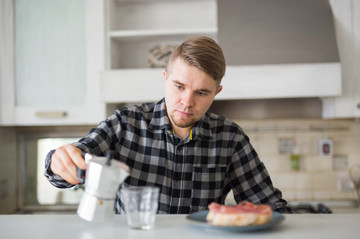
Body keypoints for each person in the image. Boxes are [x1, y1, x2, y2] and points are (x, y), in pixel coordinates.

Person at [45, 36, 291, 214]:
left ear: (217, 92)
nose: (187, 102)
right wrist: (60, 161)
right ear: (165, 78)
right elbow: (69, 165)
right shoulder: (124, 124)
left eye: (202, 93)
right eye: (179, 86)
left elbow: (269, 206)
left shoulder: (231, 139)